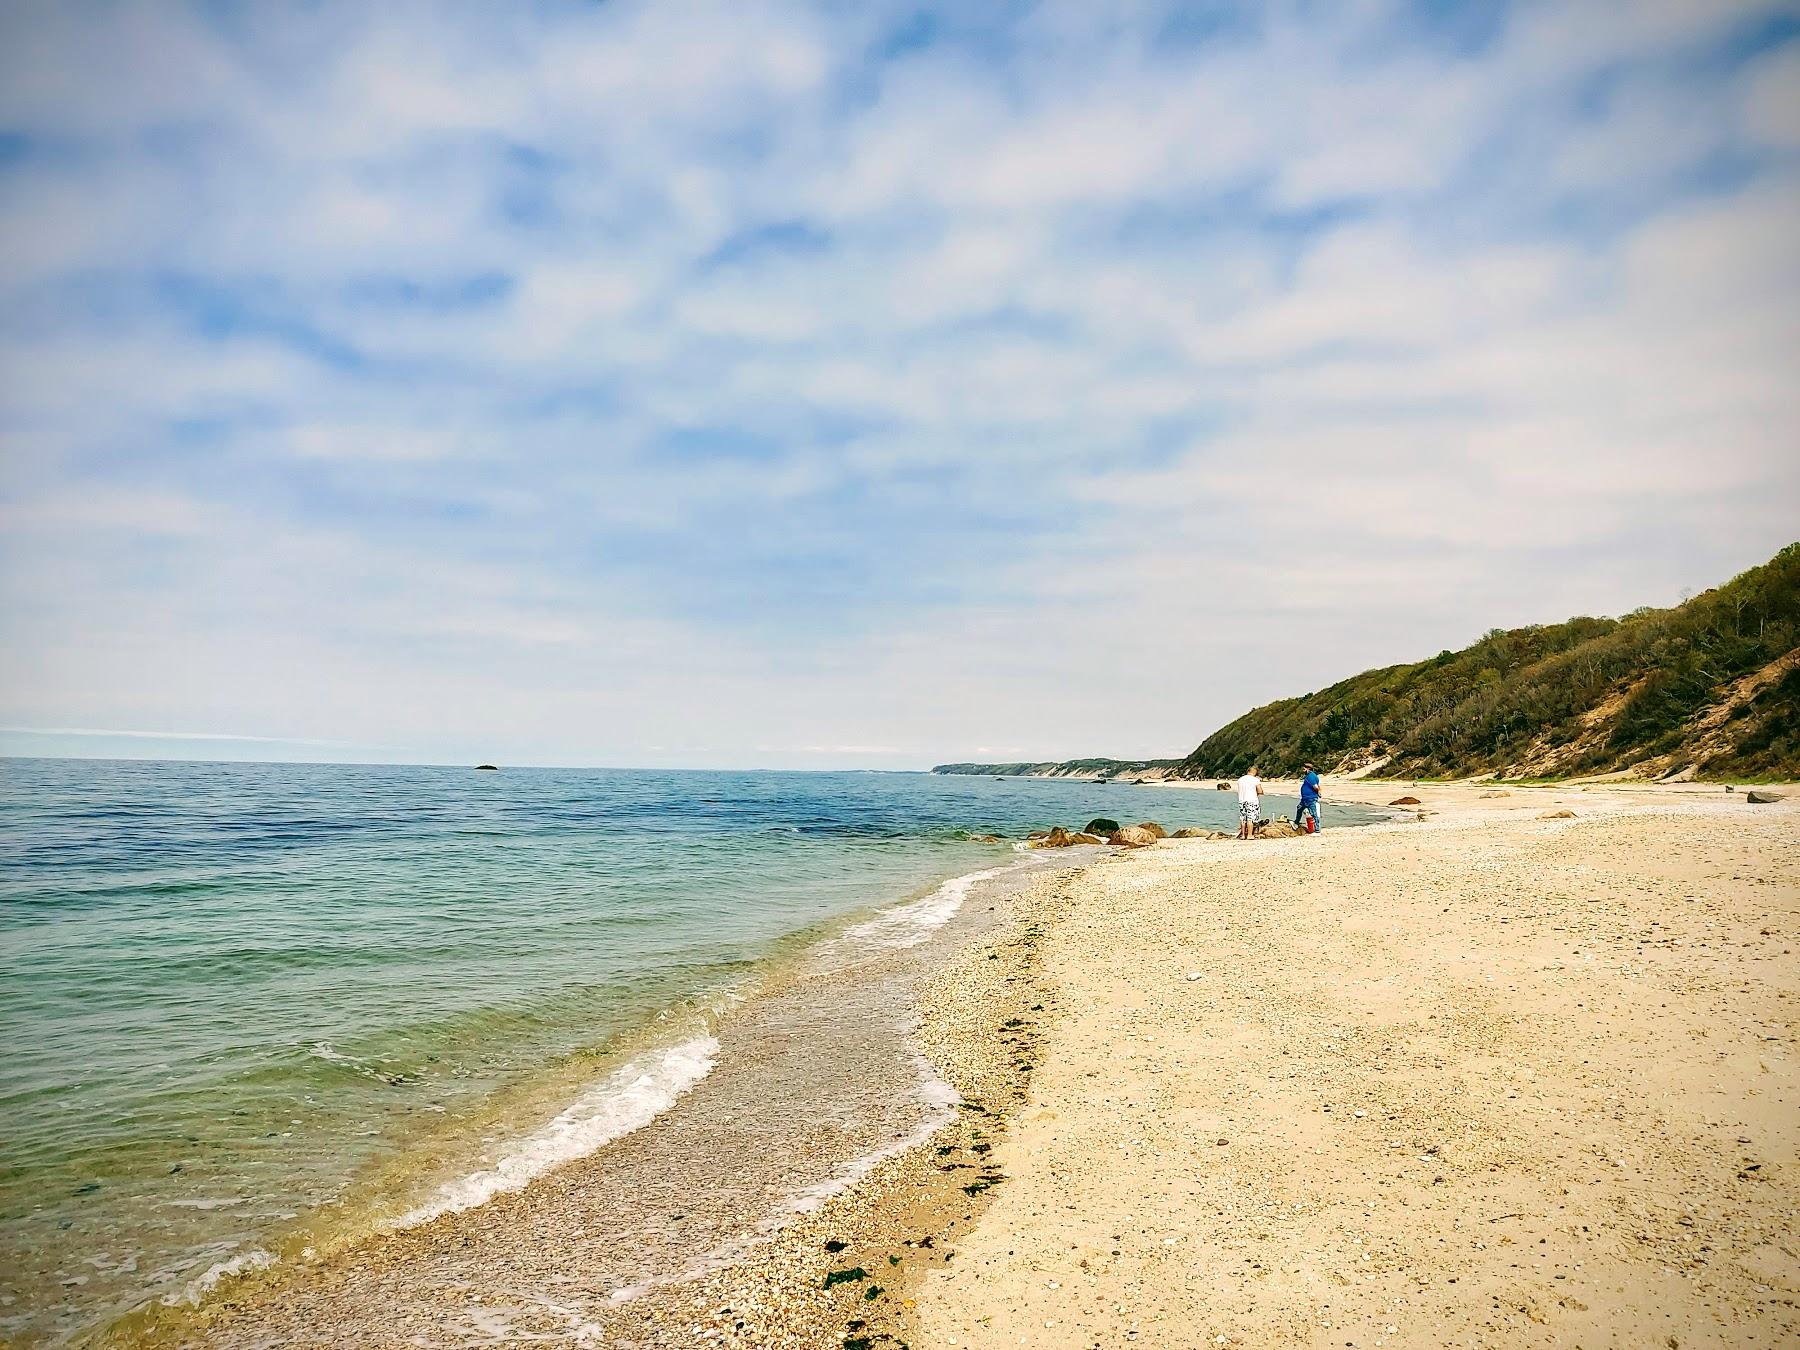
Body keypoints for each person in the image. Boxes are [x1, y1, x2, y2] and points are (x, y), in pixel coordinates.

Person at [1234, 765, 1264, 839]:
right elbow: (1260, 791)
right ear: (1255, 772)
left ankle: (1243, 835)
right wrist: (1257, 794)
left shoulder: (1240, 779)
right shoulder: (1255, 780)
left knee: (1243, 818)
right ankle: (1250, 835)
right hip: (1252, 801)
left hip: (1242, 800)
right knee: (1250, 818)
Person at [1295, 762, 1323, 832]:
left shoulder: (1311, 776)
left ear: (1308, 769)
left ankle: (1317, 829)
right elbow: (1317, 785)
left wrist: (1318, 791)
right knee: (1299, 808)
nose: (1303, 770)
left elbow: (1316, 786)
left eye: (1304, 769)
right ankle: (1296, 823)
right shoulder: (1311, 776)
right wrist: (1319, 792)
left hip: (1310, 798)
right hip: (1305, 799)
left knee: (1314, 814)